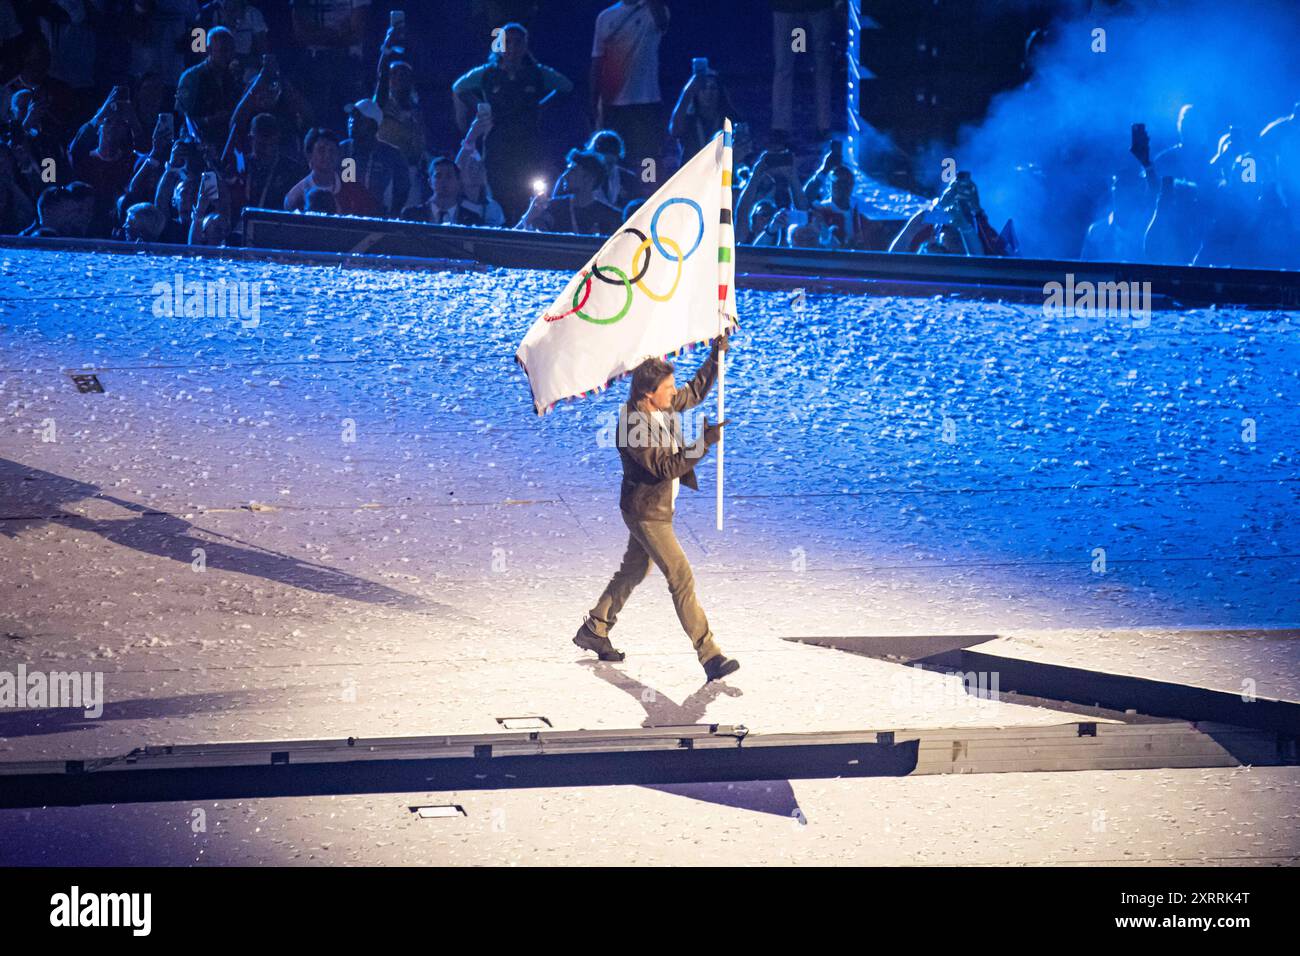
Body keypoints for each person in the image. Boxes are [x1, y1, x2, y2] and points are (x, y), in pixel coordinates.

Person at [573, 335, 740, 682]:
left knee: (633, 570)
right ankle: (710, 655)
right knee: (680, 576)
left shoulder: (660, 406)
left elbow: (693, 393)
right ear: (649, 393)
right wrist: (703, 444)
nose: (673, 392)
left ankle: (595, 627)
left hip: (656, 508)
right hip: (647, 513)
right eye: (668, 387)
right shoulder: (632, 425)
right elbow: (664, 468)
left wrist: (715, 357)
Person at [452, 22, 573, 224]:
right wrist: (480, 106)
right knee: (499, 193)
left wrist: (543, 105)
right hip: (497, 146)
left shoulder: (537, 73)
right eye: (508, 42)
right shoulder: (488, 74)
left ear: (525, 46)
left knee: (526, 192)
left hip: (528, 146)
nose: (513, 47)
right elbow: (459, 87)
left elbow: (566, 87)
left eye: (518, 42)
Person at [589, 0, 669, 171]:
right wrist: (594, 103)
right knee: (613, 157)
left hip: (646, 101)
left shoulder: (653, 11)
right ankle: (617, 193)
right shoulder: (605, 17)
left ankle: (649, 190)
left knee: (649, 156)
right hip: (613, 105)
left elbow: (662, 23)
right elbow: (597, 62)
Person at [769, 0, 835, 144]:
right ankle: (822, 124)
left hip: (798, 7)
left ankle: (782, 125)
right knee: (818, 66)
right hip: (796, 7)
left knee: (785, 67)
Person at [516, 147, 621, 235]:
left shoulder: (610, 217)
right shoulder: (553, 208)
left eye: (572, 170)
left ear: (589, 178)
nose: (565, 175)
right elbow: (514, 237)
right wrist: (529, 215)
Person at [341, 98, 409, 216]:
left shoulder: (391, 155)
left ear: (373, 125)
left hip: (378, 219)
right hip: (344, 216)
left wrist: (392, 216)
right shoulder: (343, 150)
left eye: (358, 118)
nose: (351, 121)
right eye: (351, 117)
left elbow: (402, 190)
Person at [175, 26, 240, 146]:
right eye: (223, 50)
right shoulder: (192, 77)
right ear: (209, 50)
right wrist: (210, 120)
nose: (228, 55)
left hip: (226, 141)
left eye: (231, 50)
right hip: (198, 143)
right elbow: (182, 118)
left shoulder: (233, 77)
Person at [283, 127, 370, 214]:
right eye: (321, 150)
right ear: (309, 155)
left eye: (332, 150)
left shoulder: (355, 191)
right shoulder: (296, 197)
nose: (328, 155)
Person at [668, 64, 735, 162]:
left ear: (720, 92)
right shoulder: (689, 120)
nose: (708, 92)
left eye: (713, 88)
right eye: (703, 88)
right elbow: (674, 130)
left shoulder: (729, 121)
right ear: (696, 92)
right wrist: (688, 90)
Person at [399, 156, 483, 225]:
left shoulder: (472, 220)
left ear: (458, 182)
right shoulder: (410, 215)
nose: (443, 181)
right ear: (430, 182)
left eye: (449, 176)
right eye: (438, 176)